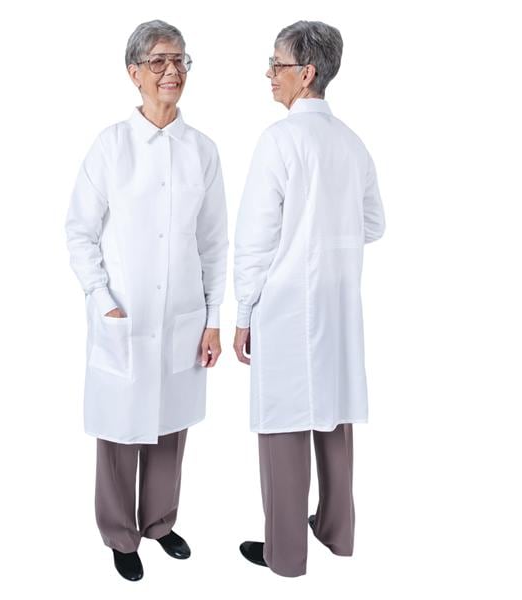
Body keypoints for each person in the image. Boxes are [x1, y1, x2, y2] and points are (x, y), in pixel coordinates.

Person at [65, 20, 228, 582]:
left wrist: (212, 318)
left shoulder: (202, 151)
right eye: (158, 61)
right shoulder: (111, 146)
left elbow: (213, 243)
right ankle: (120, 534)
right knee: (119, 429)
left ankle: (159, 523)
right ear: (134, 73)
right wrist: (101, 298)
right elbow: (80, 232)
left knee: (170, 425)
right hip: (124, 315)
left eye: (180, 60)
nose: (171, 71)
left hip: (182, 315)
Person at [233, 20, 385, 577]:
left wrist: (243, 314)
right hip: (339, 306)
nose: (269, 74)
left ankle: (285, 553)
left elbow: (254, 242)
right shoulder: (351, 142)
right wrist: (329, 234)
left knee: (283, 425)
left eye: (277, 64)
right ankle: (337, 533)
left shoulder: (279, 141)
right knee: (334, 417)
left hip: (285, 306)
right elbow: (374, 224)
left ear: (306, 73)